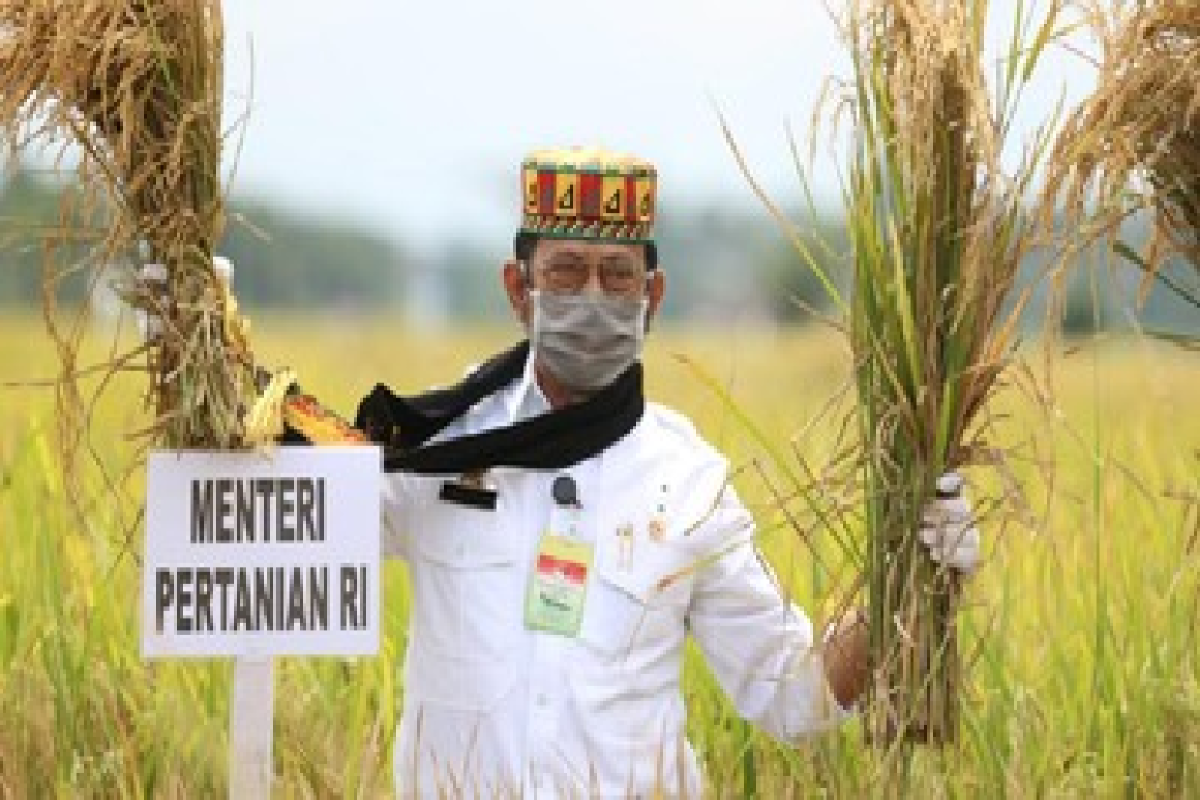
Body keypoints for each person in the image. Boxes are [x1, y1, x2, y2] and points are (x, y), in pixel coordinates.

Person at [148, 146, 981, 796]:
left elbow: (792, 693)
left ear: (651, 298)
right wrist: (193, 344)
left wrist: (916, 581)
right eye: (566, 273)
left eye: (618, 278)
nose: (594, 297)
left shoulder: (688, 483)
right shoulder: (438, 451)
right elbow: (266, 505)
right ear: (520, 289)